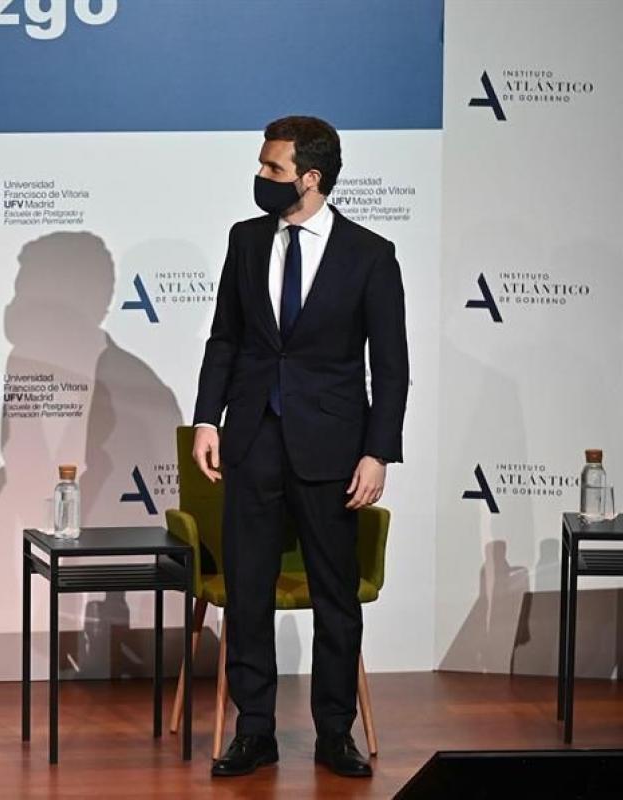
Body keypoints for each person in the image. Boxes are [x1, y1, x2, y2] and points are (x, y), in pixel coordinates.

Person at [192, 116, 408, 779]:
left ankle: (334, 733)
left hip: (333, 449)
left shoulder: (370, 254)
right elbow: (225, 337)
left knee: (335, 599)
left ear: (310, 178)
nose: (261, 177)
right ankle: (254, 731)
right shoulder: (246, 239)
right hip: (253, 439)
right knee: (248, 591)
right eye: (262, 165)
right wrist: (206, 419)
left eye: (273, 169)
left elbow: (390, 367)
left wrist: (377, 453)